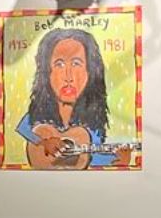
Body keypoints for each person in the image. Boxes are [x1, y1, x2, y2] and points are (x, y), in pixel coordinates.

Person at [16, 27, 132, 168]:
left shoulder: (92, 122)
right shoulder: (38, 114)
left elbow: (89, 157)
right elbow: (23, 128)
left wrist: (116, 160)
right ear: (46, 73)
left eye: (76, 63)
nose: (68, 76)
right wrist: (43, 142)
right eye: (59, 64)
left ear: (90, 72)